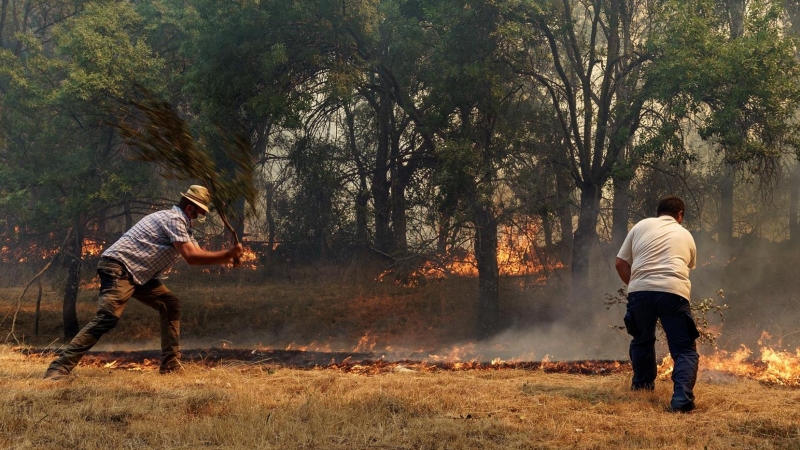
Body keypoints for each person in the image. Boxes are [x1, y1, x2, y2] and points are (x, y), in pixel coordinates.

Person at [44, 185, 243, 379]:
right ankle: (58, 368)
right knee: (107, 318)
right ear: (190, 208)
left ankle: (171, 366)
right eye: (200, 213)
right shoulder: (174, 219)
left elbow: (198, 254)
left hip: (139, 275)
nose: (200, 218)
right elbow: (192, 257)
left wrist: (227, 257)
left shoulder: (184, 228)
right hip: (118, 267)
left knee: (169, 304)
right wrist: (228, 254)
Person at [615, 195, 699, 413]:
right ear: (680, 215)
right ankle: (681, 402)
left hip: (640, 292)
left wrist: (636, 285)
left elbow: (620, 262)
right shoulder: (685, 234)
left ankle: (642, 389)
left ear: (659, 211)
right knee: (684, 351)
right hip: (673, 292)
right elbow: (689, 265)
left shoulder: (641, 226)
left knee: (642, 340)